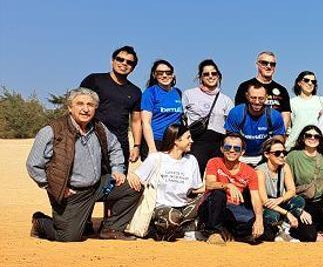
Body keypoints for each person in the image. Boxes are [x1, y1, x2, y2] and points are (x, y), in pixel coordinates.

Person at [27, 87, 140, 241]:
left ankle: (111, 228)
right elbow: (33, 164)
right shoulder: (51, 131)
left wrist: (117, 169)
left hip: (98, 186)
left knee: (133, 188)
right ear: (70, 107)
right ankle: (40, 222)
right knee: (68, 237)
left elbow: (114, 147)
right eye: (80, 104)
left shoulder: (99, 127)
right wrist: (54, 186)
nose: (85, 109)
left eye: (90, 105)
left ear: (95, 108)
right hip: (72, 194)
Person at [132, 122, 205, 240]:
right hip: (162, 207)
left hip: (184, 206)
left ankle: (178, 228)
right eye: (188, 138)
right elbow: (136, 177)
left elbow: (195, 189)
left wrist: (212, 188)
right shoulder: (156, 158)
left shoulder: (191, 160)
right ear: (176, 140)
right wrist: (132, 176)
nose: (192, 141)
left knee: (207, 201)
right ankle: (166, 229)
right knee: (173, 217)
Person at [197, 133, 264, 244]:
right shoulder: (214, 162)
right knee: (219, 194)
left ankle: (230, 231)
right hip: (212, 205)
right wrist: (228, 185)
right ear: (222, 149)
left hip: (233, 209)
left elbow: (256, 198)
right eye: (228, 147)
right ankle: (214, 232)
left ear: (242, 152)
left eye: (236, 148)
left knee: (255, 225)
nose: (232, 151)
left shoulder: (250, 172)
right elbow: (209, 184)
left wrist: (259, 220)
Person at [81, 45, 143, 163]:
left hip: (120, 145)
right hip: (92, 140)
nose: (124, 63)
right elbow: (78, 106)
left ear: (133, 68)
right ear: (112, 61)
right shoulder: (94, 80)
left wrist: (136, 146)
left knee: (118, 180)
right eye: (120, 59)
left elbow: (135, 121)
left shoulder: (135, 91)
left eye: (129, 62)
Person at [182, 59, 234, 172]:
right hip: (197, 141)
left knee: (216, 177)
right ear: (200, 77)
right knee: (194, 176)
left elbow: (231, 125)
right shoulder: (188, 94)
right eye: (206, 74)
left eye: (214, 73)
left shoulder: (226, 100)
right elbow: (182, 119)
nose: (210, 76)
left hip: (217, 142)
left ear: (218, 76)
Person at [285, 125, 323, 242]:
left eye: (316, 136)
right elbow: (287, 184)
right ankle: (289, 230)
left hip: (319, 201)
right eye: (308, 135)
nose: (312, 138)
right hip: (300, 201)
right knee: (309, 236)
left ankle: (321, 230)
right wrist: (299, 210)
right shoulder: (293, 156)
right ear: (303, 138)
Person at [256, 136, 309, 241]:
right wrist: (287, 213)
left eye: (283, 152)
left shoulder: (284, 167)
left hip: (278, 201)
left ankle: (285, 228)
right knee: (271, 215)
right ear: (266, 154)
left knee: (299, 200)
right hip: (267, 206)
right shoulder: (260, 172)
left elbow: (292, 190)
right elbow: (264, 201)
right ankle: (280, 230)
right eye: (277, 153)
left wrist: (280, 199)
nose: (281, 155)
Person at [224, 81, 286, 166]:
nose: (257, 102)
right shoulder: (236, 113)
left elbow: (279, 139)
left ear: (267, 97)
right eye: (253, 98)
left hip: (264, 156)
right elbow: (230, 140)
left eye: (261, 98)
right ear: (247, 96)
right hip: (240, 155)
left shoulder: (274, 116)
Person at [139, 59, 184, 158]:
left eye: (168, 73)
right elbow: (146, 122)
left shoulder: (178, 92)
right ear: (154, 75)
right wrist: (152, 148)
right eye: (160, 73)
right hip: (156, 141)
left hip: (175, 142)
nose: (164, 76)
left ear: (173, 75)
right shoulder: (150, 93)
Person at [235, 51, 291, 128]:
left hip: (274, 135)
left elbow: (286, 115)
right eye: (265, 63)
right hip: (250, 134)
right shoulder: (244, 86)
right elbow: (239, 113)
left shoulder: (282, 90)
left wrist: (279, 135)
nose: (269, 66)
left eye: (272, 64)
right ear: (257, 64)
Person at [286, 71, 323, 150]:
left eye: (313, 81)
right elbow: (288, 126)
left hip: (316, 144)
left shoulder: (321, 101)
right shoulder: (291, 102)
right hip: (295, 145)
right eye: (306, 80)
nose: (310, 83)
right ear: (299, 83)